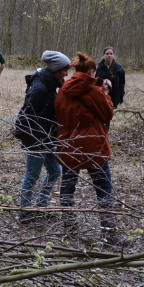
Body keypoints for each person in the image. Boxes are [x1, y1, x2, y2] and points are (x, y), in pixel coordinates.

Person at [55, 51, 123, 247]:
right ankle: (109, 233)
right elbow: (108, 114)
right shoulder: (94, 92)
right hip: (93, 144)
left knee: (67, 187)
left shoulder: (64, 88)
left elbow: (58, 113)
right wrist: (106, 94)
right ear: (92, 71)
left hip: (68, 143)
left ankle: (69, 228)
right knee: (104, 188)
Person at [15, 51, 70, 224]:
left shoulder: (49, 84)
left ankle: (40, 206)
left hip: (47, 138)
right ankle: (25, 212)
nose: (66, 73)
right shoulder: (39, 88)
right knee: (32, 175)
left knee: (55, 172)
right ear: (55, 69)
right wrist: (32, 139)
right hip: (36, 139)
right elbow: (27, 115)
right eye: (64, 70)